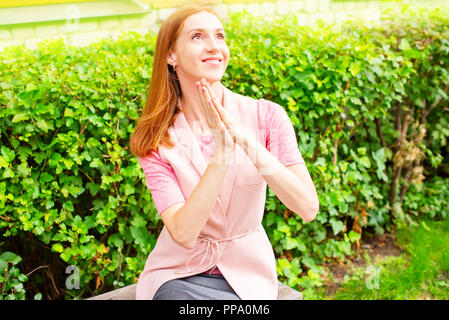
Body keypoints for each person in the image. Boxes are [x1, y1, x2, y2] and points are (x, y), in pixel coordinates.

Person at [129, 4, 319, 300]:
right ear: (170, 55)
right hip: (179, 273)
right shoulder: (155, 138)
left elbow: (307, 207)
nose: (214, 47)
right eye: (197, 37)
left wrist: (247, 142)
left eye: (219, 36)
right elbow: (183, 233)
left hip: (247, 275)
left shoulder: (266, 116)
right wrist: (222, 153)